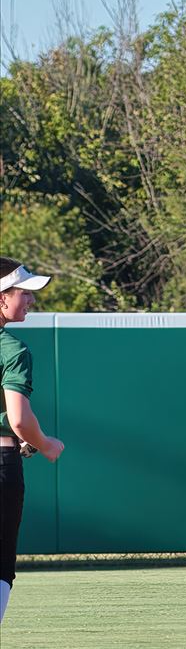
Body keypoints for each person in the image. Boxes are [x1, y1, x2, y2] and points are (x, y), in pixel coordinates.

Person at [0, 258, 62, 627]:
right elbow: (20, 419)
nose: (31, 302)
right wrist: (44, 443)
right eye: (24, 294)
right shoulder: (12, 350)